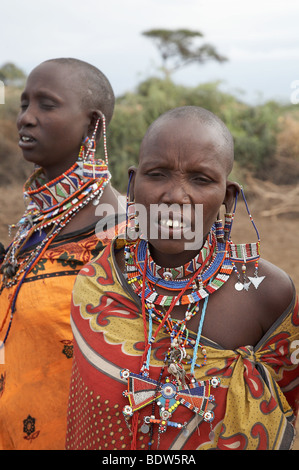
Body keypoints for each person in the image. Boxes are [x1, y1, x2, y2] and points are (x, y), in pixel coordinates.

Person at [65, 106, 299, 451]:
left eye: (201, 179)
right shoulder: (100, 279)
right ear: (132, 185)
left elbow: (281, 404)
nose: (174, 196)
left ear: (228, 198)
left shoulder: (268, 295)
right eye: (157, 174)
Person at [0, 58, 125, 450]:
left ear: (91, 124)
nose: (26, 118)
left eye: (46, 104)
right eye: (24, 104)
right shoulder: (37, 223)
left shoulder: (123, 235)